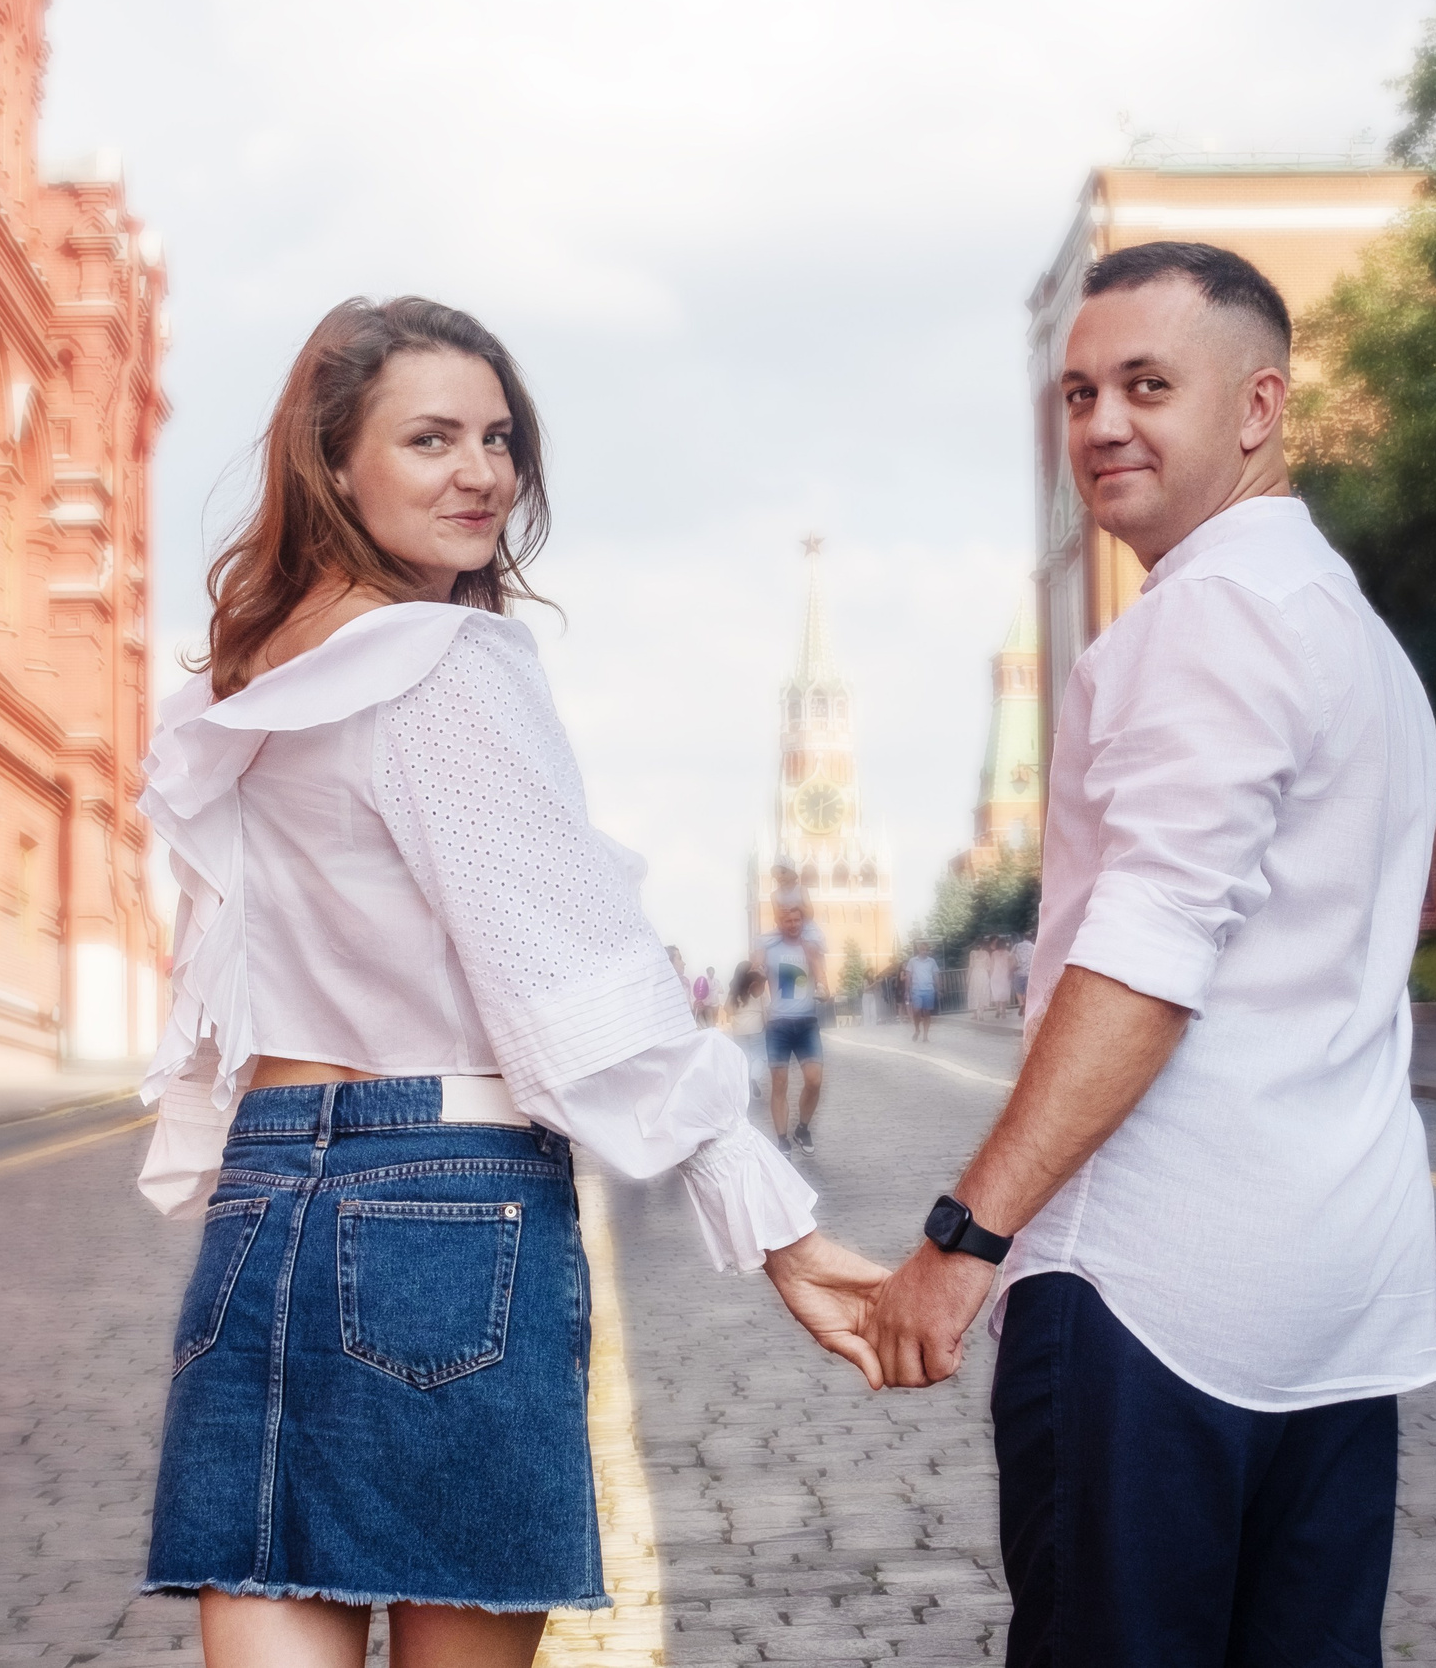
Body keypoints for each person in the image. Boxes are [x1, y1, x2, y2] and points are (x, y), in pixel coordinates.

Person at [132, 296, 888, 1668]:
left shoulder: (248, 678)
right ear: (334, 459)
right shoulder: (444, 664)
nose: (481, 472)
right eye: (430, 438)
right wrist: (769, 1218)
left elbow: (219, 977)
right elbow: (572, 974)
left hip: (264, 1204)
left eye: (498, 437)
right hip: (443, 1203)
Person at [863, 242, 1436, 1666]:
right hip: (1332, 1293)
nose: (1099, 423)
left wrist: (966, 1237)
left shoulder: (1205, 618)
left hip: (1154, 1301)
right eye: (1075, 394)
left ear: (1257, 408)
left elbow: (1146, 953)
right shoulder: (1349, 632)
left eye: (1144, 385)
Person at [756, 899, 828, 1154]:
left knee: (814, 1081)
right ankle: (782, 1140)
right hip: (778, 1026)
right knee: (780, 1082)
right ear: (779, 922)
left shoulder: (811, 949)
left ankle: (802, 1129)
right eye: (788, 920)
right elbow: (754, 982)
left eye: (798, 920)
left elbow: (825, 987)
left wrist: (823, 991)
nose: (794, 924)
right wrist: (757, 972)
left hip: (807, 1023)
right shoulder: (768, 947)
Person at [725, 960, 768, 1103]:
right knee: (760, 1056)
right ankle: (754, 1078)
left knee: (745, 1059)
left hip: (739, 1029)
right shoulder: (758, 987)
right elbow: (766, 1006)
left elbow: (728, 1010)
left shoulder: (734, 989)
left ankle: (745, 1087)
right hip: (756, 1027)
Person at [903, 941, 939, 1041]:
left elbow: (936, 975)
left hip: (929, 990)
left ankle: (925, 1036)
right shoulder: (912, 961)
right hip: (916, 990)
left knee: (927, 1012)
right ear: (919, 950)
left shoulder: (931, 961)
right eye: (923, 950)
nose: (925, 952)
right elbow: (908, 976)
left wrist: (939, 988)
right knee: (916, 1010)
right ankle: (917, 1029)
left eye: (926, 950)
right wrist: (906, 990)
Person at [1010, 931, 1034, 1014]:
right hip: (1030, 973)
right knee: (1027, 991)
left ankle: (1021, 1004)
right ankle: (1025, 1006)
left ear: (1024, 937)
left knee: (1018, 990)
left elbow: (1010, 956)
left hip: (1018, 972)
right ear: (1032, 938)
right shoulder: (1034, 947)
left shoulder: (1016, 946)